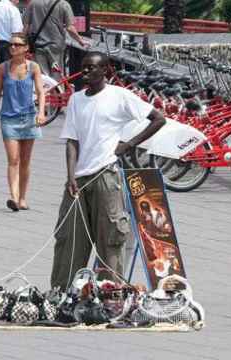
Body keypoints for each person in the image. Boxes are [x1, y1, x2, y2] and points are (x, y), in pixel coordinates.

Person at [50, 52, 166, 289]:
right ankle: (63, 291)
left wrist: (128, 144)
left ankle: (109, 293)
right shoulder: (77, 100)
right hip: (79, 179)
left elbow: (158, 119)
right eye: (83, 68)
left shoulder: (119, 96)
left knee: (110, 238)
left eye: (91, 68)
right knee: (69, 239)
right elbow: (72, 141)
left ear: (105, 70)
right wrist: (70, 176)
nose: (86, 72)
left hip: (106, 173)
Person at [0, 34, 46, 211]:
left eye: (17, 44)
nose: (13, 47)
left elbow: (40, 91)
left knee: (25, 160)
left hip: (29, 117)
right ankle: (13, 197)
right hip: (9, 118)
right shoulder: (2, 68)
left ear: (26, 48)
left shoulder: (33, 67)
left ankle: (22, 197)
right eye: (11, 44)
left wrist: (41, 112)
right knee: (13, 159)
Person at [22, 0, 90, 80]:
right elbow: (70, 28)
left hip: (38, 46)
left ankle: (44, 91)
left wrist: (22, 43)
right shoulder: (63, 4)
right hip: (56, 47)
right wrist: (80, 41)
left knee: (42, 77)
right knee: (57, 76)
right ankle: (58, 91)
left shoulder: (33, 3)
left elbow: (26, 26)